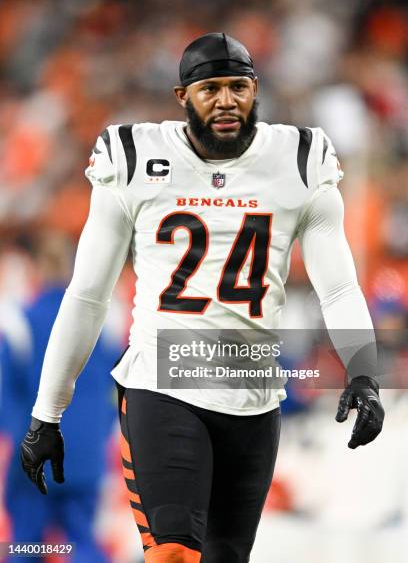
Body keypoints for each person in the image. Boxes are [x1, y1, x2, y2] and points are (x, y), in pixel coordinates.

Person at [20, 33, 385, 563]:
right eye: (209, 88)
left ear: (254, 90)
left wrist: (363, 372)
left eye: (238, 86)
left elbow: (339, 285)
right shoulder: (133, 156)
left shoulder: (300, 159)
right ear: (181, 96)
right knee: (172, 554)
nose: (225, 100)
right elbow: (87, 295)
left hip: (253, 393)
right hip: (160, 385)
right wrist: (46, 414)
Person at [1, 234, 119, 562]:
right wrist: (99, 431)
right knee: (82, 541)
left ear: (36, 269)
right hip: (86, 453)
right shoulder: (102, 325)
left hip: (34, 451)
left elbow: (4, 396)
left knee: (27, 544)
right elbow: (118, 388)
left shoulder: (19, 321)